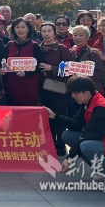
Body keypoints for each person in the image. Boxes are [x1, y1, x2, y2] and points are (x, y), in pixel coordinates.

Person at [45, 76, 105, 195]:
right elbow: (75, 123)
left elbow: (86, 135)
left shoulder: (101, 109)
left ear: (87, 93)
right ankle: (103, 171)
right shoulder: (88, 103)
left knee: (87, 146)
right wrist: (54, 116)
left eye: (75, 92)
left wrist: (70, 159)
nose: (72, 96)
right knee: (67, 135)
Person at [39, 22, 72, 156]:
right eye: (44, 31)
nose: (46, 34)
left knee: (58, 115)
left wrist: (51, 68)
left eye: (49, 31)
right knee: (46, 116)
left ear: (54, 33)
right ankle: (50, 142)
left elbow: (68, 69)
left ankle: (61, 144)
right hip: (42, 88)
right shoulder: (38, 48)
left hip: (57, 88)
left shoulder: (61, 49)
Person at [3, 17, 43, 106]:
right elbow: (4, 63)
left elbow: (40, 65)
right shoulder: (9, 45)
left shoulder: (34, 46)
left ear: (28, 29)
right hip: (13, 85)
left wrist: (26, 73)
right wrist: (3, 70)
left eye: (23, 27)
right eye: (17, 27)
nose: (20, 29)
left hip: (30, 85)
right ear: (13, 30)